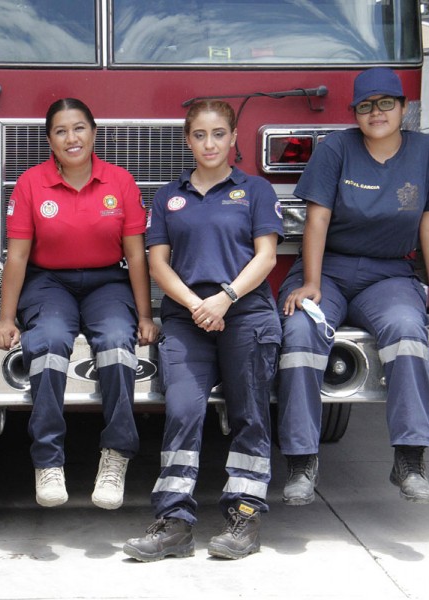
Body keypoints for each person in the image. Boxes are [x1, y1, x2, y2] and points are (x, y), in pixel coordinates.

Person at [277, 67, 429, 506]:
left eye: (385, 104)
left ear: (404, 108)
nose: (375, 113)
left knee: (407, 331)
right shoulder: (336, 149)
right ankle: (301, 461)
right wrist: (311, 283)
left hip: (389, 274)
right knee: (301, 333)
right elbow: (316, 219)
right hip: (330, 272)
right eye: (365, 106)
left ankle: (409, 459)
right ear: (355, 113)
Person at [123, 100, 282, 562]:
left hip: (246, 313)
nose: (209, 144)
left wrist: (225, 297)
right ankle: (174, 523)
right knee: (182, 413)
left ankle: (245, 518)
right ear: (187, 140)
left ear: (234, 138)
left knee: (250, 414)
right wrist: (197, 304)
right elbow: (157, 263)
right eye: (199, 135)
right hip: (188, 319)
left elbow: (266, 257)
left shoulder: (255, 190)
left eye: (218, 134)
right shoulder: (167, 197)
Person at [0, 98, 158, 509]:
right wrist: (6, 318)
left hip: (107, 282)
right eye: (61, 131)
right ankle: (48, 460)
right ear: (50, 140)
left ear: (94, 133)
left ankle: (116, 456)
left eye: (79, 128)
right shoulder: (31, 183)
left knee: (119, 341)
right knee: (46, 342)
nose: (72, 138)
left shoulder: (120, 182)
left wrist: (147, 314)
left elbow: (137, 255)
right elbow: (18, 256)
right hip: (49, 283)